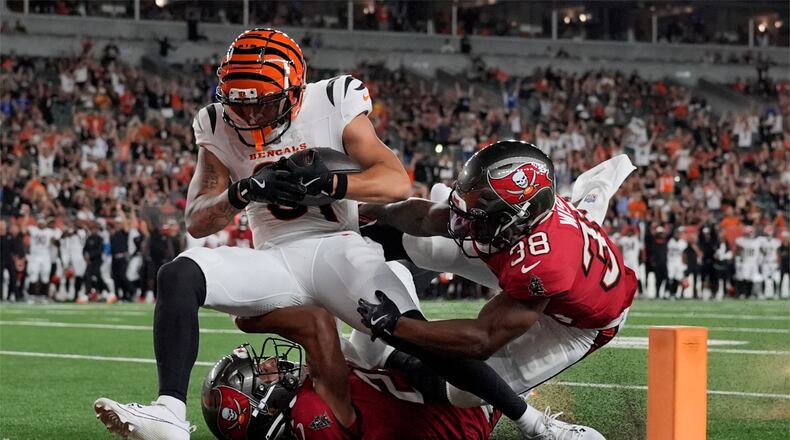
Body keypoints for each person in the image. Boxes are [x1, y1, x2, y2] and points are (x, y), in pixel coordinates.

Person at [94, 28, 422, 440]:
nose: (250, 117)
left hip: (338, 249)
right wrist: (240, 192)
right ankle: (170, 413)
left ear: (295, 90)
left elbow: (396, 181)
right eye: (239, 105)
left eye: (264, 104)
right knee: (179, 273)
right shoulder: (216, 124)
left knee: (418, 342)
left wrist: (333, 185)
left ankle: (515, 412)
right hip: (276, 259)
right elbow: (196, 220)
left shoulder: (332, 101)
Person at [357, 142, 637, 439]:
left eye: (481, 210)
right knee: (424, 244)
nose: (464, 219)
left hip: (579, 323)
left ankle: (541, 426)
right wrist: (370, 211)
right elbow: (427, 217)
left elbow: (482, 339)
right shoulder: (520, 218)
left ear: (517, 218)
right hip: (535, 262)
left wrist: (398, 326)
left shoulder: (545, 262)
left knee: (463, 393)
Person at [203, 305, 502, 440]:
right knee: (374, 328)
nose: (270, 362)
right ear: (261, 406)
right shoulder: (311, 407)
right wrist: (247, 319)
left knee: (356, 341)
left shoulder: (306, 411)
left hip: (449, 413)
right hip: (464, 412)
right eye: (262, 372)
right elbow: (317, 318)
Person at [24, 216, 61, 299]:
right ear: (37, 223)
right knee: (33, 275)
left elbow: (56, 242)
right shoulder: (33, 229)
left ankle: (44, 295)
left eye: (42, 223)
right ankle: (32, 295)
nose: (41, 225)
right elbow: (24, 231)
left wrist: (56, 241)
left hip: (45, 257)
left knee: (45, 276)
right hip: (34, 256)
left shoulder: (49, 232)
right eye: (40, 223)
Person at [0, 220, 25, 301]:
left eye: (3, 225)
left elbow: (14, 248)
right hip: (0, 260)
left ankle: (15, 296)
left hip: (9, 260)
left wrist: (16, 256)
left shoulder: (9, 236)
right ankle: (1, 297)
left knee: (13, 277)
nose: (2, 227)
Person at [734, 226, 761, 298]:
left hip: (754, 262)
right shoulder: (742, 241)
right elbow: (737, 249)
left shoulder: (757, 241)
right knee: (744, 278)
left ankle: (749, 294)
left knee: (751, 278)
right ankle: (742, 293)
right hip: (746, 262)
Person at [666, 227, 688, 299]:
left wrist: (684, 264)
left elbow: (684, 254)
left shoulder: (683, 243)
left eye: (679, 233)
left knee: (677, 278)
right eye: (676, 233)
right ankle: (668, 292)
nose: (678, 234)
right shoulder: (670, 241)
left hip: (678, 262)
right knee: (670, 278)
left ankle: (674, 293)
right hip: (670, 262)